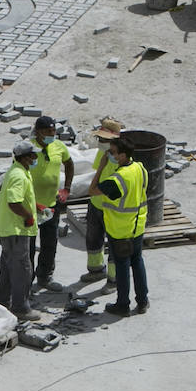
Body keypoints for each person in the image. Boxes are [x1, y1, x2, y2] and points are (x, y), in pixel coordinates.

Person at [87, 136, 149, 317]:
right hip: (138, 225)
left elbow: (92, 190)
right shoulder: (139, 168)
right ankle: (143, 301)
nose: (108, 155)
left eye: (112, 152)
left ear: (122, 155)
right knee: (137, 262)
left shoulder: (117, 179)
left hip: (120, 230)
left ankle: (122, 304)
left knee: (122, 266)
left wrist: (101, 166)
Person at [0, 139, 42, 323]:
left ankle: (0, 302)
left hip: (9, 230)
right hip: (16, 230)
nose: (35, 158)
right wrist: (28, 216)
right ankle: (20, 308)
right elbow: (14, 202)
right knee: (22, 269)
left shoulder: (18, 171)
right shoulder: (19, 176)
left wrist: (34, 206)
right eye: (33, 155)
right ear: (26, 157)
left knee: (8, 268)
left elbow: (19, 198)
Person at [28, 116, 73, 293]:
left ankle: (45, 276)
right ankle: (27, 280)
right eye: (48, 132)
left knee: (50, 243)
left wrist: (66, 189)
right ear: (38, 132)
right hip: (31, 206)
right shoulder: (28, 149)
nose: (52, 135)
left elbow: (69, 164)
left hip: (51, 205)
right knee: (29, 246)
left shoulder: (59, 147)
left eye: (53, 131)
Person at [82, 117, 124, 286]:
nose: (100, 142)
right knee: (93, 239)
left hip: (112, 208)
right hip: (96, 203)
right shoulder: (102, 152)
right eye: (100, 138)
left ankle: (114, 280)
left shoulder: (120, 158)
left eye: (104, 140)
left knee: (114, 245)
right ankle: (96, 270)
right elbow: (97, 174)